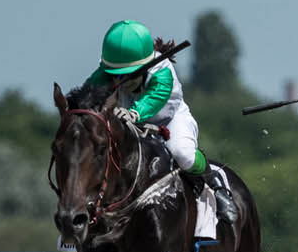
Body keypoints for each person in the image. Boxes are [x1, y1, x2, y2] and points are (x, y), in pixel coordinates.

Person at [86, 18, 236, 223]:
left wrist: (135, 113)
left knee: (183, 155)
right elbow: (89, 91)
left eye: (126, 75)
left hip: (168, 122)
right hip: (130, 127)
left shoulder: (162, 72)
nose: (119, 81)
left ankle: (215, 181)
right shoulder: (109, 68)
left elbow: (154, 98)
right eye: (116, 75)